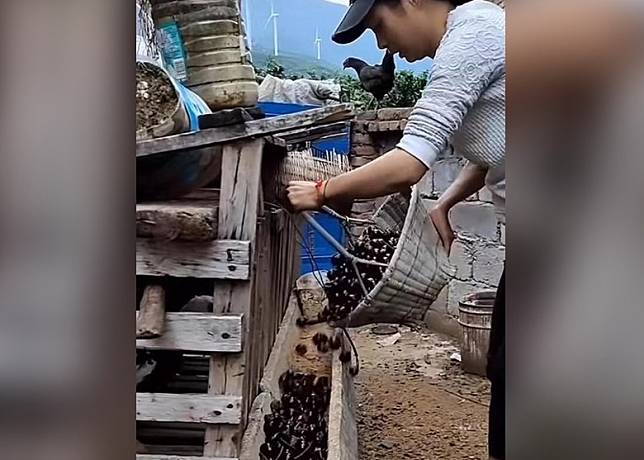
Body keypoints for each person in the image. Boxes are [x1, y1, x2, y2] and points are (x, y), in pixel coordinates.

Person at [286, 0, 505, 458]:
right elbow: (498, 145)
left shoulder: (472, 36)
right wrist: (446, 202)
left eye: (380, 26)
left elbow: (409, 160)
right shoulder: (480, 32)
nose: (382, 43)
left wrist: (323, 191)